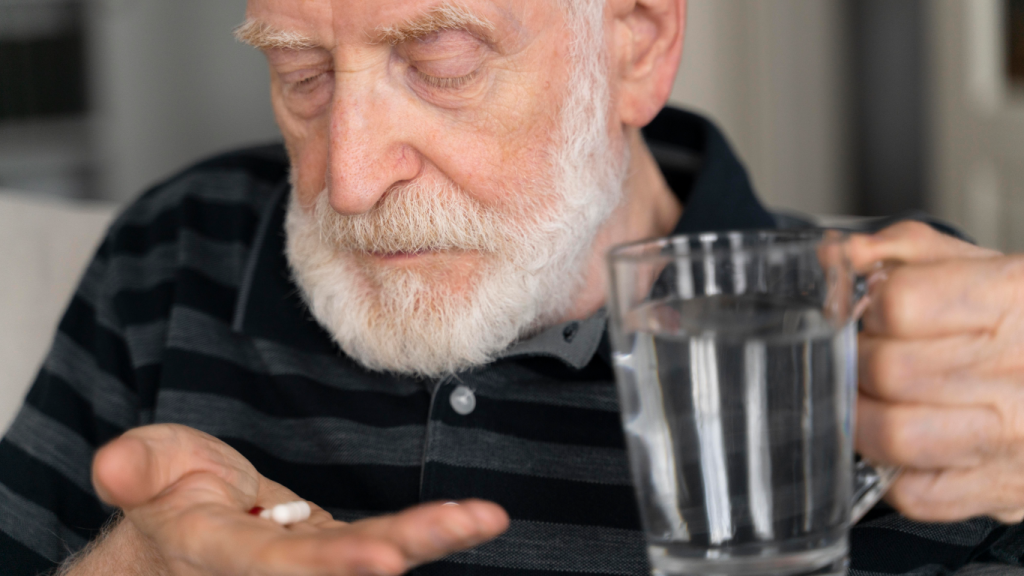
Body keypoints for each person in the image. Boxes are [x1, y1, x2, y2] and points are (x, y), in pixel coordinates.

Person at [3, 0, 1024, 574]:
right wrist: (132, 568)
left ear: (634, 42)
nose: (348, 181)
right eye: (303, 75)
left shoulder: (908, 351)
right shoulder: (177, 250)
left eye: (440, 61)